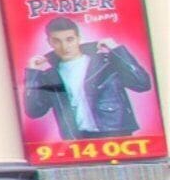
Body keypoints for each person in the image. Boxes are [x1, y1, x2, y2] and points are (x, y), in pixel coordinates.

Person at [22, 17, 158, 144]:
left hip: (116, 134)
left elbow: (142, 84)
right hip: (77, 139)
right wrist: (33, 74)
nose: (64, 46)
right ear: (49, 42)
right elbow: (34, 111)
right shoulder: (50, 75)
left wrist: (116, 49)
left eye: (69, 39)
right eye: (57, 41)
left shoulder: (106, 63)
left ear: (78, 39)